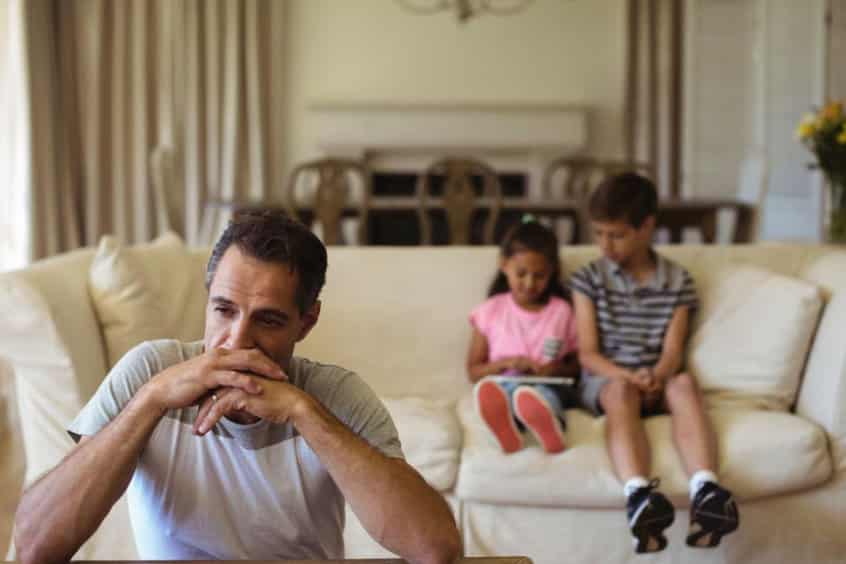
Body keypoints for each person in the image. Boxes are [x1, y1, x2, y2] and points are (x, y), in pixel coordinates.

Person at [14, 210, 461, 564]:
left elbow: (434, 548)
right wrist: (150, 401)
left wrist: (304, 413)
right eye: (224, 310)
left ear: (307, 322)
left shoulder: (336, 394)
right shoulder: (150, 371)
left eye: (267, 319)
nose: (237, 339)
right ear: (208, 297)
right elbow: (35, 547)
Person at [570, 173, 739, 553]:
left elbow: (672, 352)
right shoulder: (589, 279)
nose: (605, 245)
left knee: (683, 383)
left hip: (657, 377)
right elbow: (588, 354)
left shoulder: (678, 281)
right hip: (610, 378)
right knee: (621, 392)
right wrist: (630, 375)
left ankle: (707, 490)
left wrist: (659, 375)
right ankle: (639, 497)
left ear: (647, 227)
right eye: (599, 234)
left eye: (616, 235)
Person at [466, 217, 579, 454]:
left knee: (543, 395)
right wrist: (508, 363)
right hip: (506, 381)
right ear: (504, 264)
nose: (530, 283)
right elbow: (474, 371)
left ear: (552, 272)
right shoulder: (490, 311)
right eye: (521, 273)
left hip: (549, 383)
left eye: (539, 276)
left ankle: (550, 426)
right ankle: (507, 429)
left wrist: (555, 369)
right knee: (505, 393)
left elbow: (578, 365)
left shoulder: (562, 311)